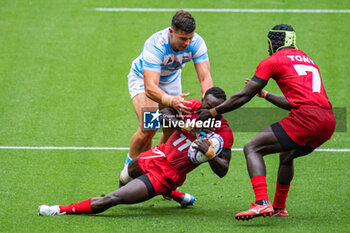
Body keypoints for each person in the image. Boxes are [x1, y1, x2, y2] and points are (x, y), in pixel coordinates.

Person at [196, 24, 336, 220]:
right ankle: (279, 207)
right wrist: (266, 94)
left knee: (253, 148)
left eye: (268, 44)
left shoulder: (273, 60)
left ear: (274, 43)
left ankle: (262, 202)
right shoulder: (308, 61)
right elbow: (294, 102)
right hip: (328, 121)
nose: (267, 48)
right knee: (287, 155)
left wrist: (212, 111)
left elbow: (244, 96)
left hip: (307, 118)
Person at [38, 87, 233, 216]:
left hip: (165, 175)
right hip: (157, 154)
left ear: (221, 110)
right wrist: (182, 125)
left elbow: (223, 170)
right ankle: (174, 195)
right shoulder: (193, 107)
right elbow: (159, 115)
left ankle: (58, 209)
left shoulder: (224, 133)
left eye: (211, 109)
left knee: (113, 198)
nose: (205, 111)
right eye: (205, 105)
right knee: (123, 180)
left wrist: (211, 156)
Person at [125, 9, 213, 173]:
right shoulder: (156, 46)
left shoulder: (197, 43)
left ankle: (158, 169)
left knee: (171, 128)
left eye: (190, 38)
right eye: (182, 39)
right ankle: (128, 172)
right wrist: (171, 100)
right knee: (148, 127)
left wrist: (207, 108)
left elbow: (205, 79)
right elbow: (151, 87)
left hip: (170, 80)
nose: (187, 43)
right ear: (171, 32)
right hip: (143, 80)